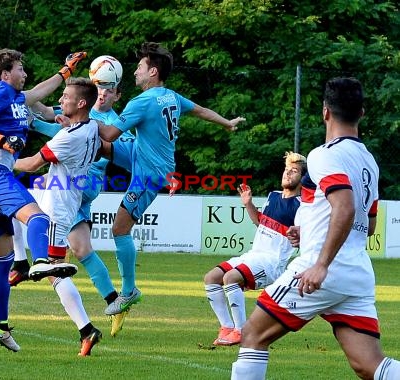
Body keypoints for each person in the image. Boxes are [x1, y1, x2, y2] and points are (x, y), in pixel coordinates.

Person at [231, 77, 400, 379]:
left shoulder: (324, 154)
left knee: (252, 336)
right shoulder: (369, 162)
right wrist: (307, 232)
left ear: (325, 112)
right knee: (370, 365)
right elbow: (369, 224)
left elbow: (345, 208)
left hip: (321, 271)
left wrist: (321, 264)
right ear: (361, 112)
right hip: (356, 274)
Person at [98, 42, 246, 317]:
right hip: (142, 155)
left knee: (119, 229)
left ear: (153, 71)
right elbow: (201, 110)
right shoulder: (171, 97)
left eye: (140, 68)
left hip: (149, 174)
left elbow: (108, 134)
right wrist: (226, 122)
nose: (135, 73)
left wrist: (84, 117)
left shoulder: (142, 102)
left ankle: (129, 292)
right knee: (95, 146)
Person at [0, 47, 86, 352]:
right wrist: (2, 141)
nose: (25, 73)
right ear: (5, 74)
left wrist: (65, 72)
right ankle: (42, 262)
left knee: (3, 258)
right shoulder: (0, 92)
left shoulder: (16, 98)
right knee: (39, 218)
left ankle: (0, 327)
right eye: (20, 68)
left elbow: (39, 95)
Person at [10, 83, 136, 337]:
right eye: (100, 88)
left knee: (50, 261)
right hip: (77, 186)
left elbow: (38, 160)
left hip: (78, 186)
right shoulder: (93, 123)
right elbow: (49, 114)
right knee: (82, 249)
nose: (103, 93)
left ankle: (25, 264)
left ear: (117, 95)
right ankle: (113, 301)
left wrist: (2, 162)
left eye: (109, 90)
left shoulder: (107, 124)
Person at [12, 77, 103, 356]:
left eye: (66, 96)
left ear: (81, 103)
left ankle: (87, 330)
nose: (61, 100)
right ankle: (20, 264)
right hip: (59, 195)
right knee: (12, 205)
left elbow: (31, 164)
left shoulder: (69, 137)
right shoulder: (89, 126)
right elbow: (61, 121)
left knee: (54, 271)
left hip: (57, 208)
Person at [204, 151, 306, 346]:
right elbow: (259, 222)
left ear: (302, 178)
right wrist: (248, 203)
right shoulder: (273, 196)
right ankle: (227, 327)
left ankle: (241, 331)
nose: (288, 174)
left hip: (272, 263)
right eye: (286, 169)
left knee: (230, 278)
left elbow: (302, 236)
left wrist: (299, 237)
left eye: (294, 171)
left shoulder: (301, 206)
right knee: (211, 278)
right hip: (254, 255)